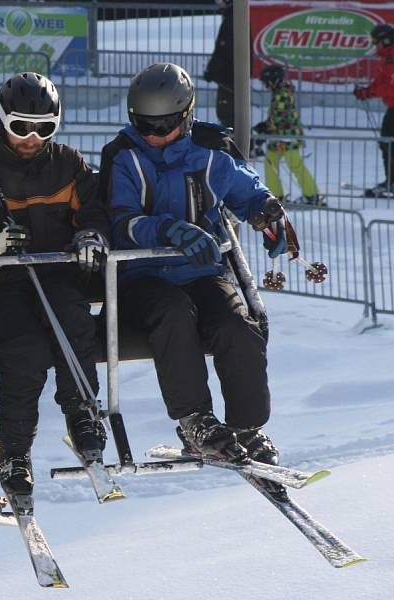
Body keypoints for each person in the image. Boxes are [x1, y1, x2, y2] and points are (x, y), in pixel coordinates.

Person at [102, 63, 286, 466]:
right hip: (142, 278)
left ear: (186, 116)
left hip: (202, 271)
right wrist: (170, 229)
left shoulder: (210, 151)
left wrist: (266, 211)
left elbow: (246, 188)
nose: (154, 135)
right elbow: (122, 222)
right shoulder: (124, 156)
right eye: (145, 125)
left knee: (236, 325)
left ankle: (247, 426)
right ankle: (195, 420)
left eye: (165, 124)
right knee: (174, 314)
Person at [0, 72, 111, 496]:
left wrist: (91, 236)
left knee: (72, 322)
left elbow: (94, 212)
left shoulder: (68, 165)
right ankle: (15, 448)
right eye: (21, 127)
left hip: (54, 273)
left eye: (44, 128)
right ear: (2, 122)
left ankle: (83, 412)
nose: (32, 138)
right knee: (25, 348)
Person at [255, 64, 324, 206]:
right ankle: (277, 196)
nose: (265, 86)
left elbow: (280, 118)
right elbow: (277, 116)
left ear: (273, 80)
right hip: (278, 137)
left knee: (295, 164)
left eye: (266, 82)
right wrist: (265, 126)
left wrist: (265, 128)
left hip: (287, 136)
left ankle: (313, 196)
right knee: (270, 163)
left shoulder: (282, 93)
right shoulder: (280, 91)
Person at [354, 23, 394, 197]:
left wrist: (368, 92)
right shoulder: (387, 57)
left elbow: (391, 86)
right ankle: (391, 180)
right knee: (388, 143)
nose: (375, 45)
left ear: (386, 40)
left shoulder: (392, 57)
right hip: (393, 106)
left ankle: (391, 182)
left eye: (377, 41)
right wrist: (366, 91)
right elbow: (381, 80)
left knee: (388, 143)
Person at [203, 0, 234, 129]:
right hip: (233, 78)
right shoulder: (235, 18)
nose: (218, 6)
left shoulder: (231, 21)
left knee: (227, 115)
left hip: (228, 79)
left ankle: (230, 145)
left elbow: (223, 50)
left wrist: (211, 71)